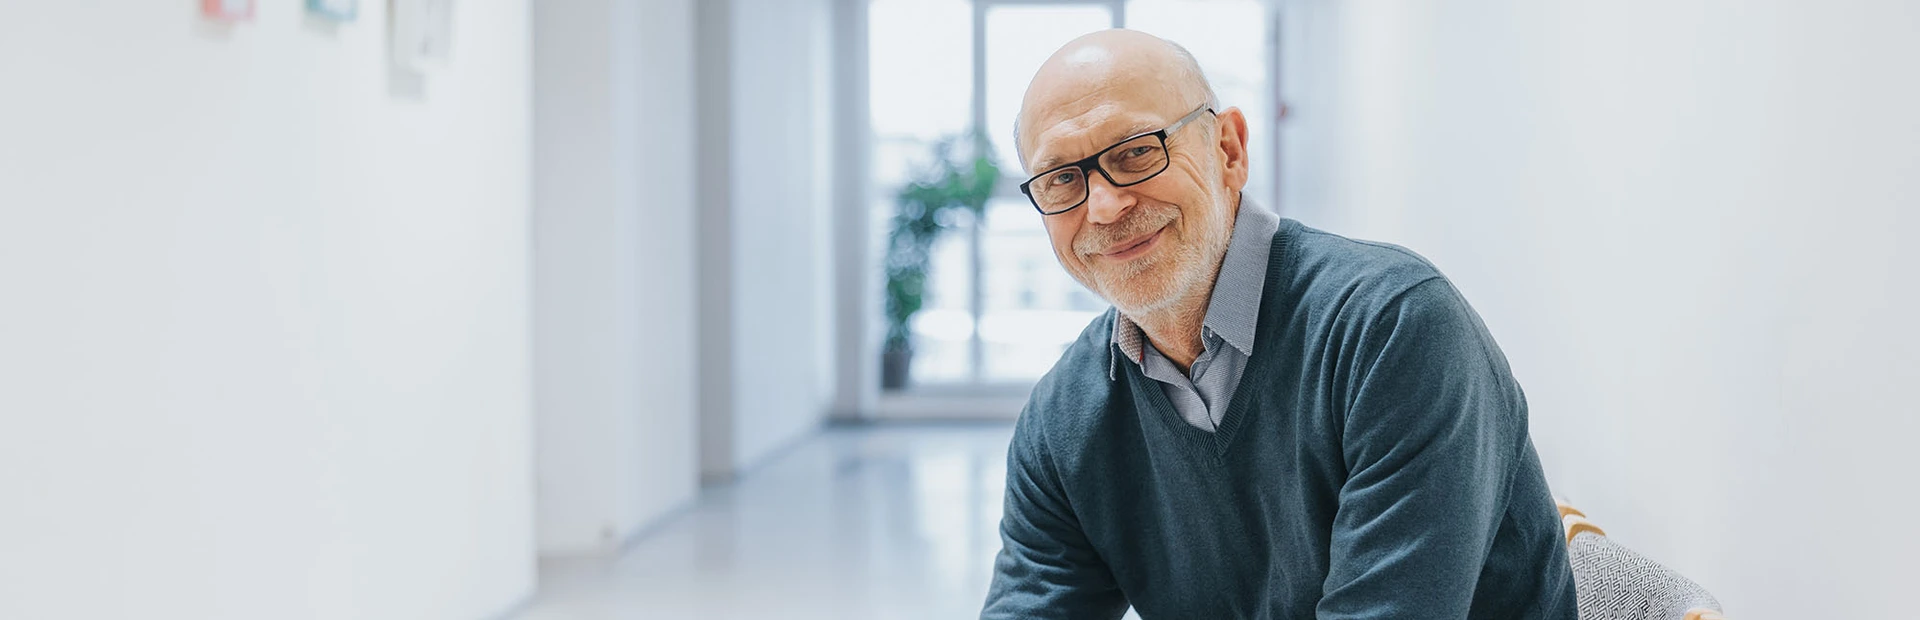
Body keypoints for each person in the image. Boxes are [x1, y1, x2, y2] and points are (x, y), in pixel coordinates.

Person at [981, 29, 1578, 619]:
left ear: (1228, 151)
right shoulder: (1064, 420)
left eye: (1136, 150)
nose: (1105, 205)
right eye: (1061, 178)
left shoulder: (1392, 329)